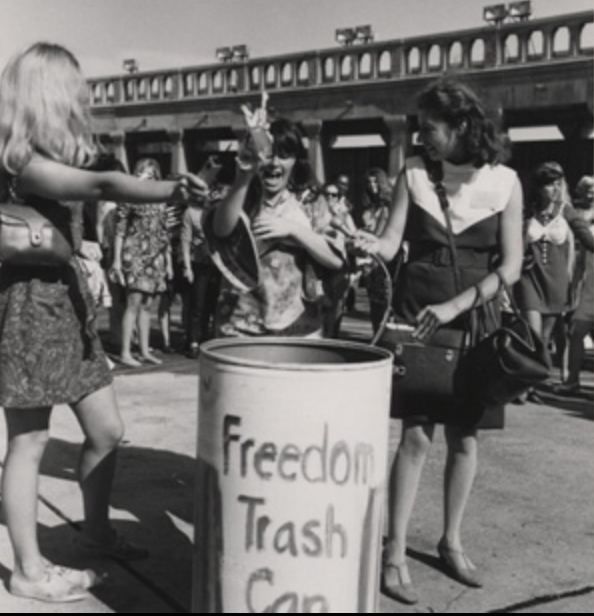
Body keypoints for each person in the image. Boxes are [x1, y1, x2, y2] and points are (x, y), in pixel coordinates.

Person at [0, 42, 207, 603]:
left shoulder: (44, 158)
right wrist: (172, 189)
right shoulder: (22, 162)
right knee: (29, 440)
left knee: (107, 429)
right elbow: (102, 186)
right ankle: (28, 570)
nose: (82, 100)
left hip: (67, 308)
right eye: (74, 90)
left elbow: (95, 182)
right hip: (30, 310)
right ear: (49, 96)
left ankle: (95, 533)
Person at [354, 78, 524, 604]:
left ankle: (451, 541)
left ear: (461, 126)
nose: (421, 136)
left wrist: (457, 305)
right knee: (416, 436)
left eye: (430, 128)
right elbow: (390, 241)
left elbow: (511, 267)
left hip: (472, 319)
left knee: (465, 436)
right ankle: (395, 551)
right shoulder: (412, 173)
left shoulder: (506, 182)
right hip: (416, 314)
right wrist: (367, 245)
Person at [208, 100, 344, 338]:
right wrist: (244, 175)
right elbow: (220, 230)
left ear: (296, 160)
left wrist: (292, 230)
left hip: (299, 327)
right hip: (241, 326)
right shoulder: (239, 197)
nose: (274, 163)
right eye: (268, 155)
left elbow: (335, 259)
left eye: (284, 155)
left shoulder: (313, 203)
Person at [514, 162, 594, 401]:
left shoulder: (566, 211)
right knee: (532, 332)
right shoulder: (527, 211)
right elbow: (512, 239)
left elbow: (586, 236)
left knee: (544, 338)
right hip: (529, 277)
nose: (556, 189)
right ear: (539, 188)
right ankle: (523, 386)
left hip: (556, 282)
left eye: (558, 184)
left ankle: (532, 383)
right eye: (550, 185)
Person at [112, 158, 172, 367]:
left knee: (148, 305)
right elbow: (119, 231)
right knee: (133, 303)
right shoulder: (129, 198)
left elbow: (165, 233)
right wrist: (116, 261)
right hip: (135, 253)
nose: (149, 178)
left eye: (153, 175)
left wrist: (168, 261)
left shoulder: (161, 200)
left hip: (156, 257)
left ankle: (145, 350)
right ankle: (125, 352)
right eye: (144, 173)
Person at [556, 175, 594, 394]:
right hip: (589, 290)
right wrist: (574, 287)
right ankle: (572, 381)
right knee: (576, 333)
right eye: (587, 188)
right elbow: (580, 262)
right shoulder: (579, 218)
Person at [180, 191, 220, 357]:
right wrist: (187, 267)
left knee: (213, 305)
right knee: (197, 304)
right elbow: (185, 240)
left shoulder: (218, 210)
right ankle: (193, 341)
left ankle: (208, 339)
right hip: (199, 263)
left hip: (218, 265)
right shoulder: (190, 212)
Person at [359, 167, 394, 334]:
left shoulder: (388, 206)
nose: (372, 185)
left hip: (384, 259)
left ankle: (383, 338)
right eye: (369, 182)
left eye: (375, 181)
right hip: (369, 260)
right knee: (373, 303)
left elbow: (382, 234)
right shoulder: (370, 208)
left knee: (385, 303)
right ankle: (376, 336)